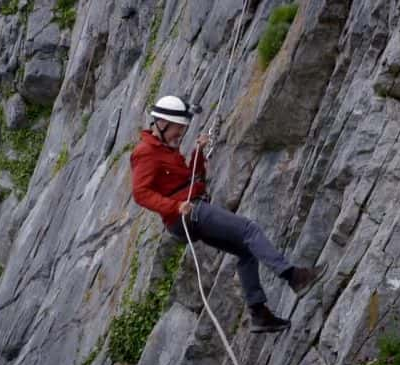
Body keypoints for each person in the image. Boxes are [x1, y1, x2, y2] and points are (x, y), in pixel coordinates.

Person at [129, 95, 321, 333]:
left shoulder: (167, 149)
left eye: (182, 129)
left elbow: (192, 180)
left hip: (190, 213)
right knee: (249, 230)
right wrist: (174, 207)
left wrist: (198, 152)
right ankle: (294, 277)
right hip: (188, 214)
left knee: (245, 251)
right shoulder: (146, 152)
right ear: (162, 123)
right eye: (178, 128)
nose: (180, 133)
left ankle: (259, 314)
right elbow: (140, 193)